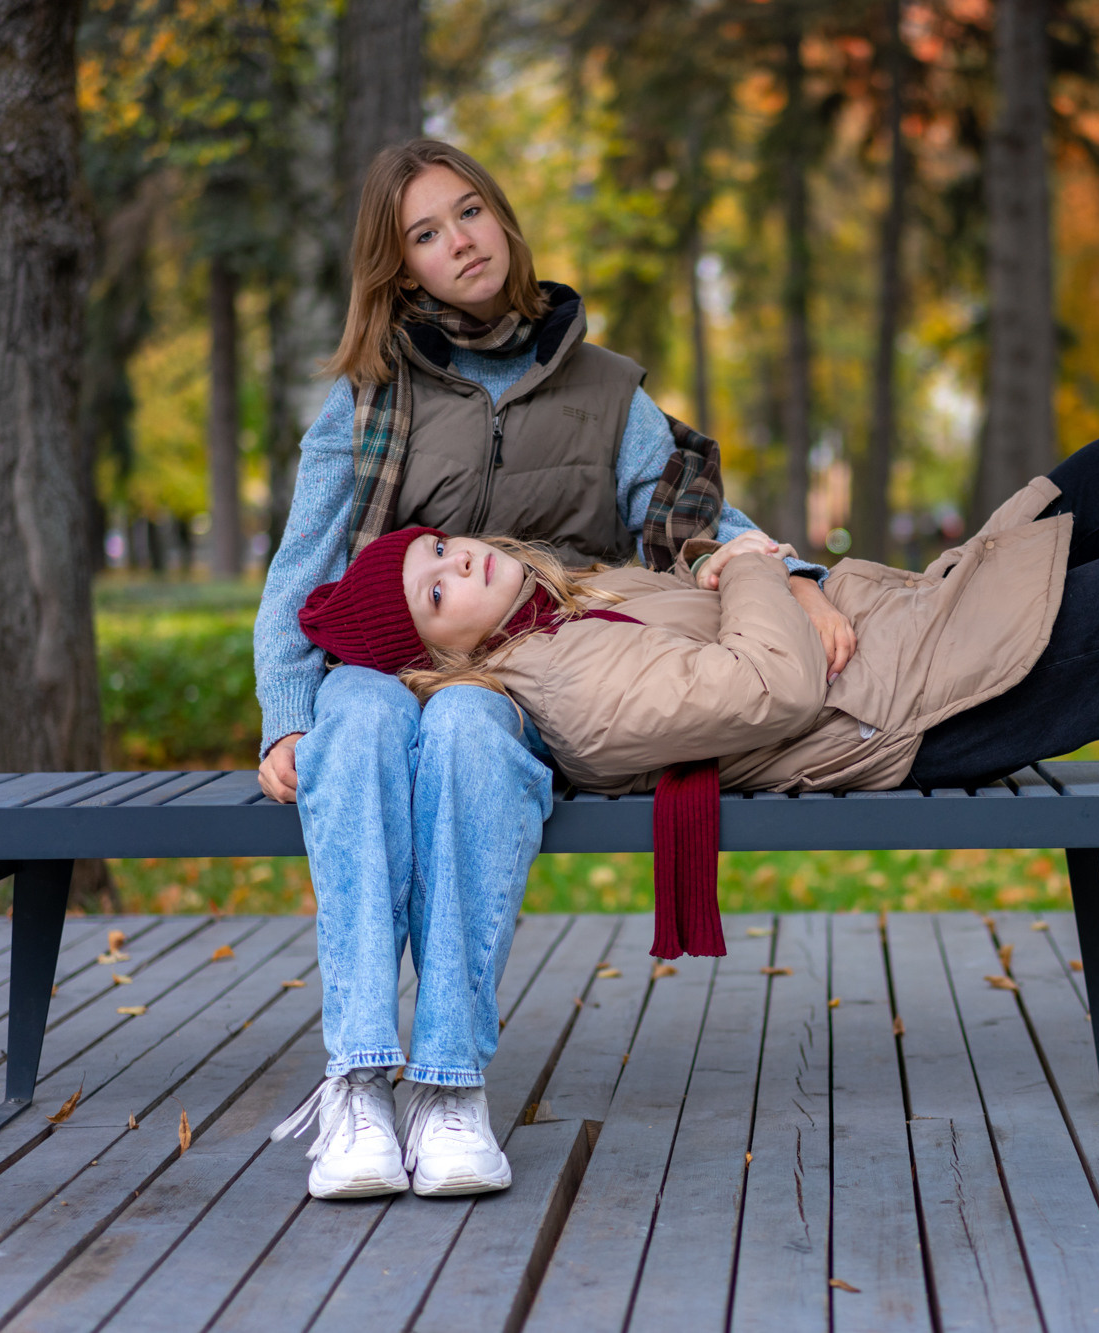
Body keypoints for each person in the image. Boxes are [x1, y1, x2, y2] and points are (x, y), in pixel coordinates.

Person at [299, 436, 1099, 939]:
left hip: (910, 631)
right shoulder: (565, 690)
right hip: (915, 713)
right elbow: (769, 687)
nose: (455, 563)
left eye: (438, 550)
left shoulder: (567, 597)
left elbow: (727, 597)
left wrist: (764, 572)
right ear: (436, 656)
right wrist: (755, 564)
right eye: (433, 591)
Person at [253, 139, 853, 1201]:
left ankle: (448, 1087)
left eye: (468, 212)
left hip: (528, 666)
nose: (458, 242)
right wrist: (287, 715)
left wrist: (793, 576)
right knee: (365, 725)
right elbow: (301, 568)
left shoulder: (601, 387)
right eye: (425, 234)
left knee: (467, 733)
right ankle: (358, 1078)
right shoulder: (368, 398)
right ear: (400, 268)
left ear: (502, 218)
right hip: (386, 662)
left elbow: (692, 518)